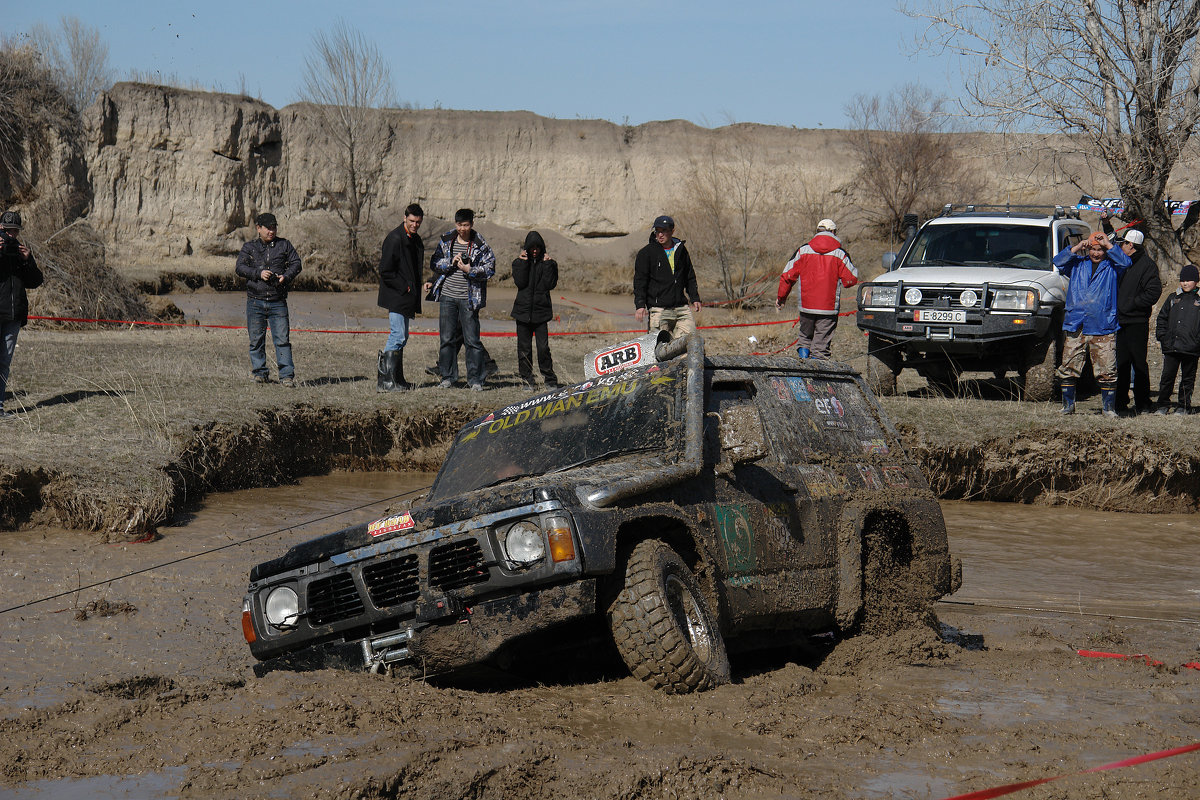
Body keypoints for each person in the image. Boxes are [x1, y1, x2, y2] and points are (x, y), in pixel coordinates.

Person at [1053, 230, 1130, 415]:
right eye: (1093, 249)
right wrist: (1078, 246)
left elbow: (1126, 262)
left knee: (1107, 369)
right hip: (1076, 324)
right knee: (1068, 366)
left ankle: (1108, 408)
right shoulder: (1077, 265)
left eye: (1100, 250)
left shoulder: (1112, 267)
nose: (1096, 253)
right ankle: (1068, 406)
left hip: (1103, 324)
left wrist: (1109, 245)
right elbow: (1058, 261)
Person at [428, 209, 496, 391]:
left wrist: (469, 269)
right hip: (447, 296)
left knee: (472, 340)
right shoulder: (446, 240)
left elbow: (490, 269)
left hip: (469, 298)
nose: (462, 229)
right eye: (459, 225)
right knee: (447, 338)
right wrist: (450, 261)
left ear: (471, 224)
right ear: (455, 223)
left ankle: (476, 380)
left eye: (465, 225)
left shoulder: (480, 244)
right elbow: (434, 262)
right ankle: (447, 377)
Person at [235, 212, 302, 386]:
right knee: (256, 340)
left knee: (282, 340)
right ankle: (260, 373)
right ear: (259, 228)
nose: (272, 231)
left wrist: (285, 277)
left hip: (278, 301)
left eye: (274, 227)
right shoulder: (249, 247)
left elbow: (297, 263)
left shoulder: (284, 245)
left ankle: (287, 376)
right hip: (255, 301)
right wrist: (258, 273)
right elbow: (240, 267)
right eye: (268, 228)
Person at [775, 218, 858, 360]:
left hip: (806, 306)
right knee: (820, 346)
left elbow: (787, 276)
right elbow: (851, 280)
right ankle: (815, 377)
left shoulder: (803, 250)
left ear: (817, 232)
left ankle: (803, 365)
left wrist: (781, 297)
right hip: (828, 307)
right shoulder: (840, 254)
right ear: (833, 232)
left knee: (804, 337)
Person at [376, 203, 424, 392]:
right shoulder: (395, 238)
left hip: (406, 296)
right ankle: (386, 382)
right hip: (397, 295)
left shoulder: (414, 239)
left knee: (403, 337)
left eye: (418, 222)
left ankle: (397, 379)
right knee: (397, 335)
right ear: (405, 218)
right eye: (412, 221)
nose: (415, 224)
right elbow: (385, 271)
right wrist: (405, 286)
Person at [0, 211, 43, 419]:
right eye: (7, 231)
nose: (11, 235)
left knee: (4, 363)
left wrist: (27, 260)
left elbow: (35, 281)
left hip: (14, 315)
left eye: (15, 231)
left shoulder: (19, 253)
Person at [633, 215, 701, 340]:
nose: (660, 235)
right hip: (659, 310)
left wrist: (695, 297)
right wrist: (640, 305)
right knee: (659, 348)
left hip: (681, 308)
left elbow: (689, 275)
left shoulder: (681, 249)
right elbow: (640, 281)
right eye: (657, 231)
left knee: (691, 342)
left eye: (664, 231)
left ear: (672, 231)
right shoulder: (646, 253)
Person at [510, 230, 559, 390]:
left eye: (538, 247)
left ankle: (550, 380)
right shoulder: (518, 263)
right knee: (524, 350)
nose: (535, 250)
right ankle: (527, 380)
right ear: (527, 248)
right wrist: (523, 263)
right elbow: (521, 283)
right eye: (532, 247)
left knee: (543, 348)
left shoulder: (550, 264)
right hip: (522, 313)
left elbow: (549, 285)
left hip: (541, 313)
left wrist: (547, 265)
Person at [1154, 264, 1200, 415]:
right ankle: (1162, 405)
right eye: (1183, 280)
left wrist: (1197, 342)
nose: (1185, 283)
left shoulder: (1199, 301)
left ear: (1196, 281)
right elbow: (1162, 318)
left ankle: (1183, 406)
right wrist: (1163, 336)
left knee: (1187, 379)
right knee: (1167, 377)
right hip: (1172, 346)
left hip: (1191, 348)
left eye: (1189, 280)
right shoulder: (1173, 298)